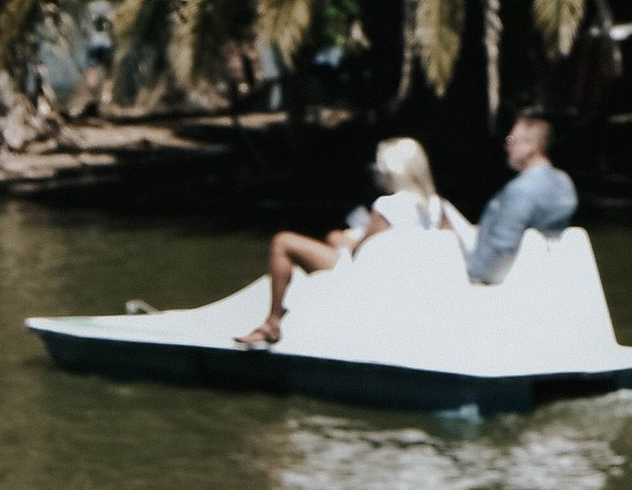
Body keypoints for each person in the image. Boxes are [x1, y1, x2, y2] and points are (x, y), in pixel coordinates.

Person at [238, 137, 463, 347]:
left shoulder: (386, 206)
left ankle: (272, 323)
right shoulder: (437, 206)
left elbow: (361, 252)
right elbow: (445, 244)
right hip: (406, 278)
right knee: (332, 238)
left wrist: (341, 241)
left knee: (283, 242)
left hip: (368, 278)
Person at [465, 111, 579, 286]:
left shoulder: (520, 191)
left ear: (530, 146)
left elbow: (502, 246)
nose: (507, 146)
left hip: (507, 280)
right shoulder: (563, 182)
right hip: (547, 272)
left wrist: (469, 275)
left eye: (511, 140)